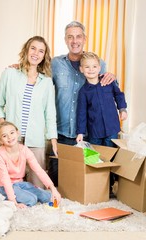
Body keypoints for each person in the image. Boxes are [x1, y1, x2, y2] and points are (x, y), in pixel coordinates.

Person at [48, 21, 117, 186]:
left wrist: (113, 77)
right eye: (70, 37)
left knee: (94, 180)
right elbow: (36, 74)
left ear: (84, 39)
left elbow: (111, 90)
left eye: (78, 36)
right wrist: (18, 68)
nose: (74, 41)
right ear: (65, 40)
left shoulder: (98, 63)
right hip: (62, 133)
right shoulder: (55, 64)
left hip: (89, 134)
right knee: (57, 180)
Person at [0, 36, 57, 188]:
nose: (36, 53)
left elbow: (50, 113)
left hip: (35, 140)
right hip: (12, 141)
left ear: (44, 56)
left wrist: (53, 140)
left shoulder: (47, 82)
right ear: (26, 50)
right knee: (7, 186)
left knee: (38, 188)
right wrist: (6, 128)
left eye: (41, 51)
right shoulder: (9, 73)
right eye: (33, 48)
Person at [0, 121, 61, 208]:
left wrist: (53, 188)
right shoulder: (0, 153)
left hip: (19, 183)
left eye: (12, 133)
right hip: (2, 186)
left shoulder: (24, 150)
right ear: (0, 140)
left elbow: (38, 170)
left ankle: (21, 193)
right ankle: (5, 198)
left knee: (47, 197)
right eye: (4, 136)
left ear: (17, 133)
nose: (9, 137)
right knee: (31, 199)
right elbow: (5, 179)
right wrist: (13, 201)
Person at [76, 52, 127, 146]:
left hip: (112, 128)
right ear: (81, 69)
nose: (91, 69)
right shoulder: (83, 92)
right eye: (87, 67)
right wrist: (80, 132)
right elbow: (81, 113)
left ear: (99, 68)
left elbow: (118, 95)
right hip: (95, 131)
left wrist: (122, 109)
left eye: (94, 66)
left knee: (110, 154)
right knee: (95, 156)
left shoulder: (108, 82)